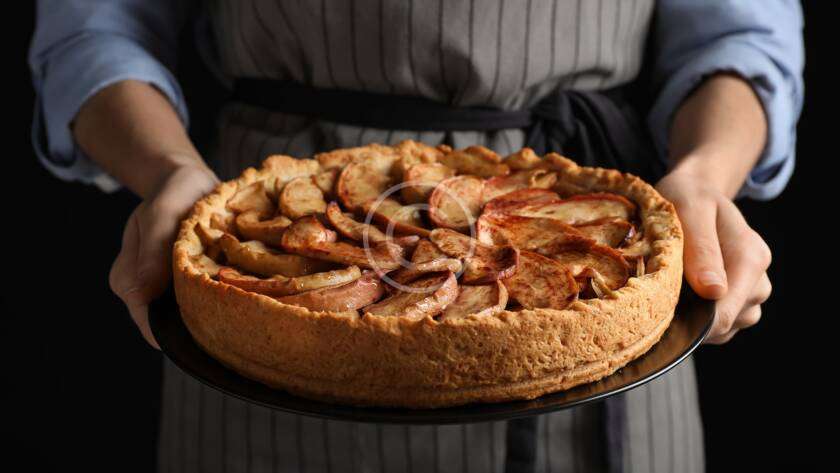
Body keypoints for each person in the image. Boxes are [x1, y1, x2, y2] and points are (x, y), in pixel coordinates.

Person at [29, 1, 803, 472]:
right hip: (268, 329)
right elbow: (93, 27)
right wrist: (170, 171)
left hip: (600, 299)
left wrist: (704, 175)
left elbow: (741, 34)